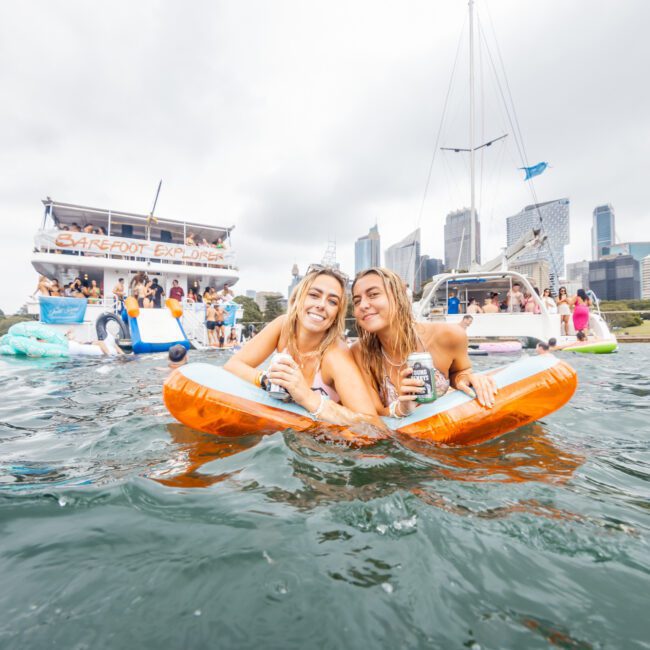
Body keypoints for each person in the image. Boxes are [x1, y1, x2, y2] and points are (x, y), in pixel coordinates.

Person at [224, 266, 385, 430]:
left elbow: (372, 424)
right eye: (314, 295)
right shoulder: (283, 327)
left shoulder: (336, 356)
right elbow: (232, 365)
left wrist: (306, 396)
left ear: (337, 313)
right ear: (298, 298)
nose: (321, 305)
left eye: (332, 301)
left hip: (325, 445)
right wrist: (265, 380)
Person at [351, 267, 498, 418]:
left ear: (398, 297)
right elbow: (375, 412)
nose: (363, 305)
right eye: (357, 301)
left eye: (373, 295)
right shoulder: (360, 353)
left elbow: (460, 371)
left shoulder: (450, 336)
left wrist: (465, 378)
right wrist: (402, 409)